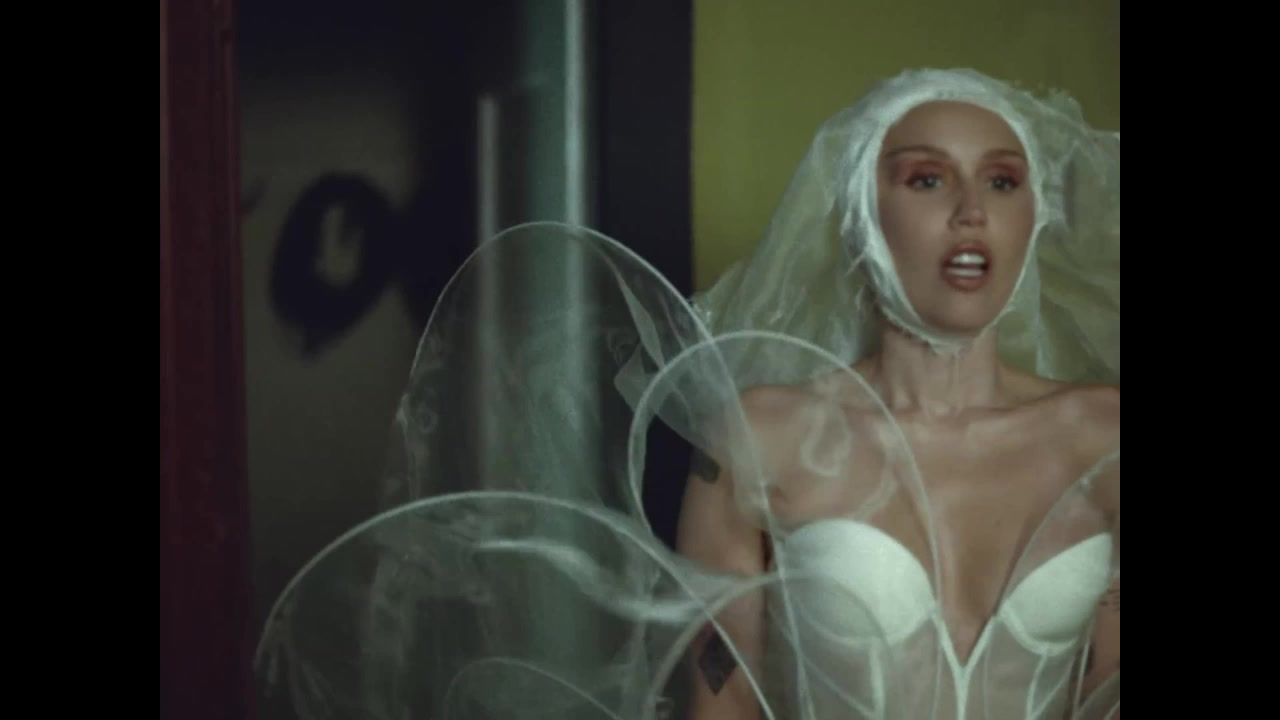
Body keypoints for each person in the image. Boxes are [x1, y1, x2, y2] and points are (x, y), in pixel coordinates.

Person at [252, 68, 1119, 720]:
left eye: (1002, 181)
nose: (971, 212)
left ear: (1033, 215)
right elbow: (720, 699)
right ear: (863, 216)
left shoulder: (1104, 434)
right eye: (927, 179)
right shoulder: (762, 436)